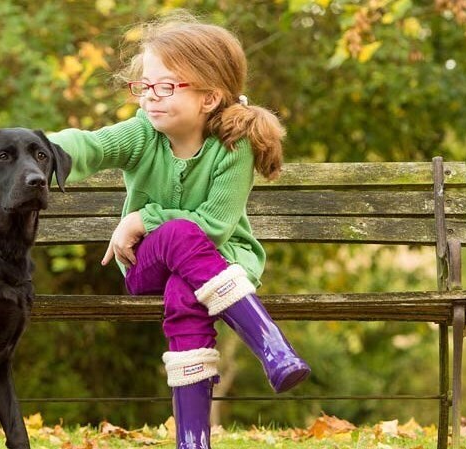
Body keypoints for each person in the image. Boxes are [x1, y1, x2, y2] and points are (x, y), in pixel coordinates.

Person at [48, 12, 309, 449]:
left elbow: (215, 227)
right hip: (144, 268)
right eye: (144, 85)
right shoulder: (142, 133)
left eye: (166, 86)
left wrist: (142, 219)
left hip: (218, 268)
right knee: (175, 238)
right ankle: (271, 345)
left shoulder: (233, 144)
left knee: (184, 294)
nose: (150, 97)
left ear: (209, 97)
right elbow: (91, 146)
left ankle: (193, 442)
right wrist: (37, 147)